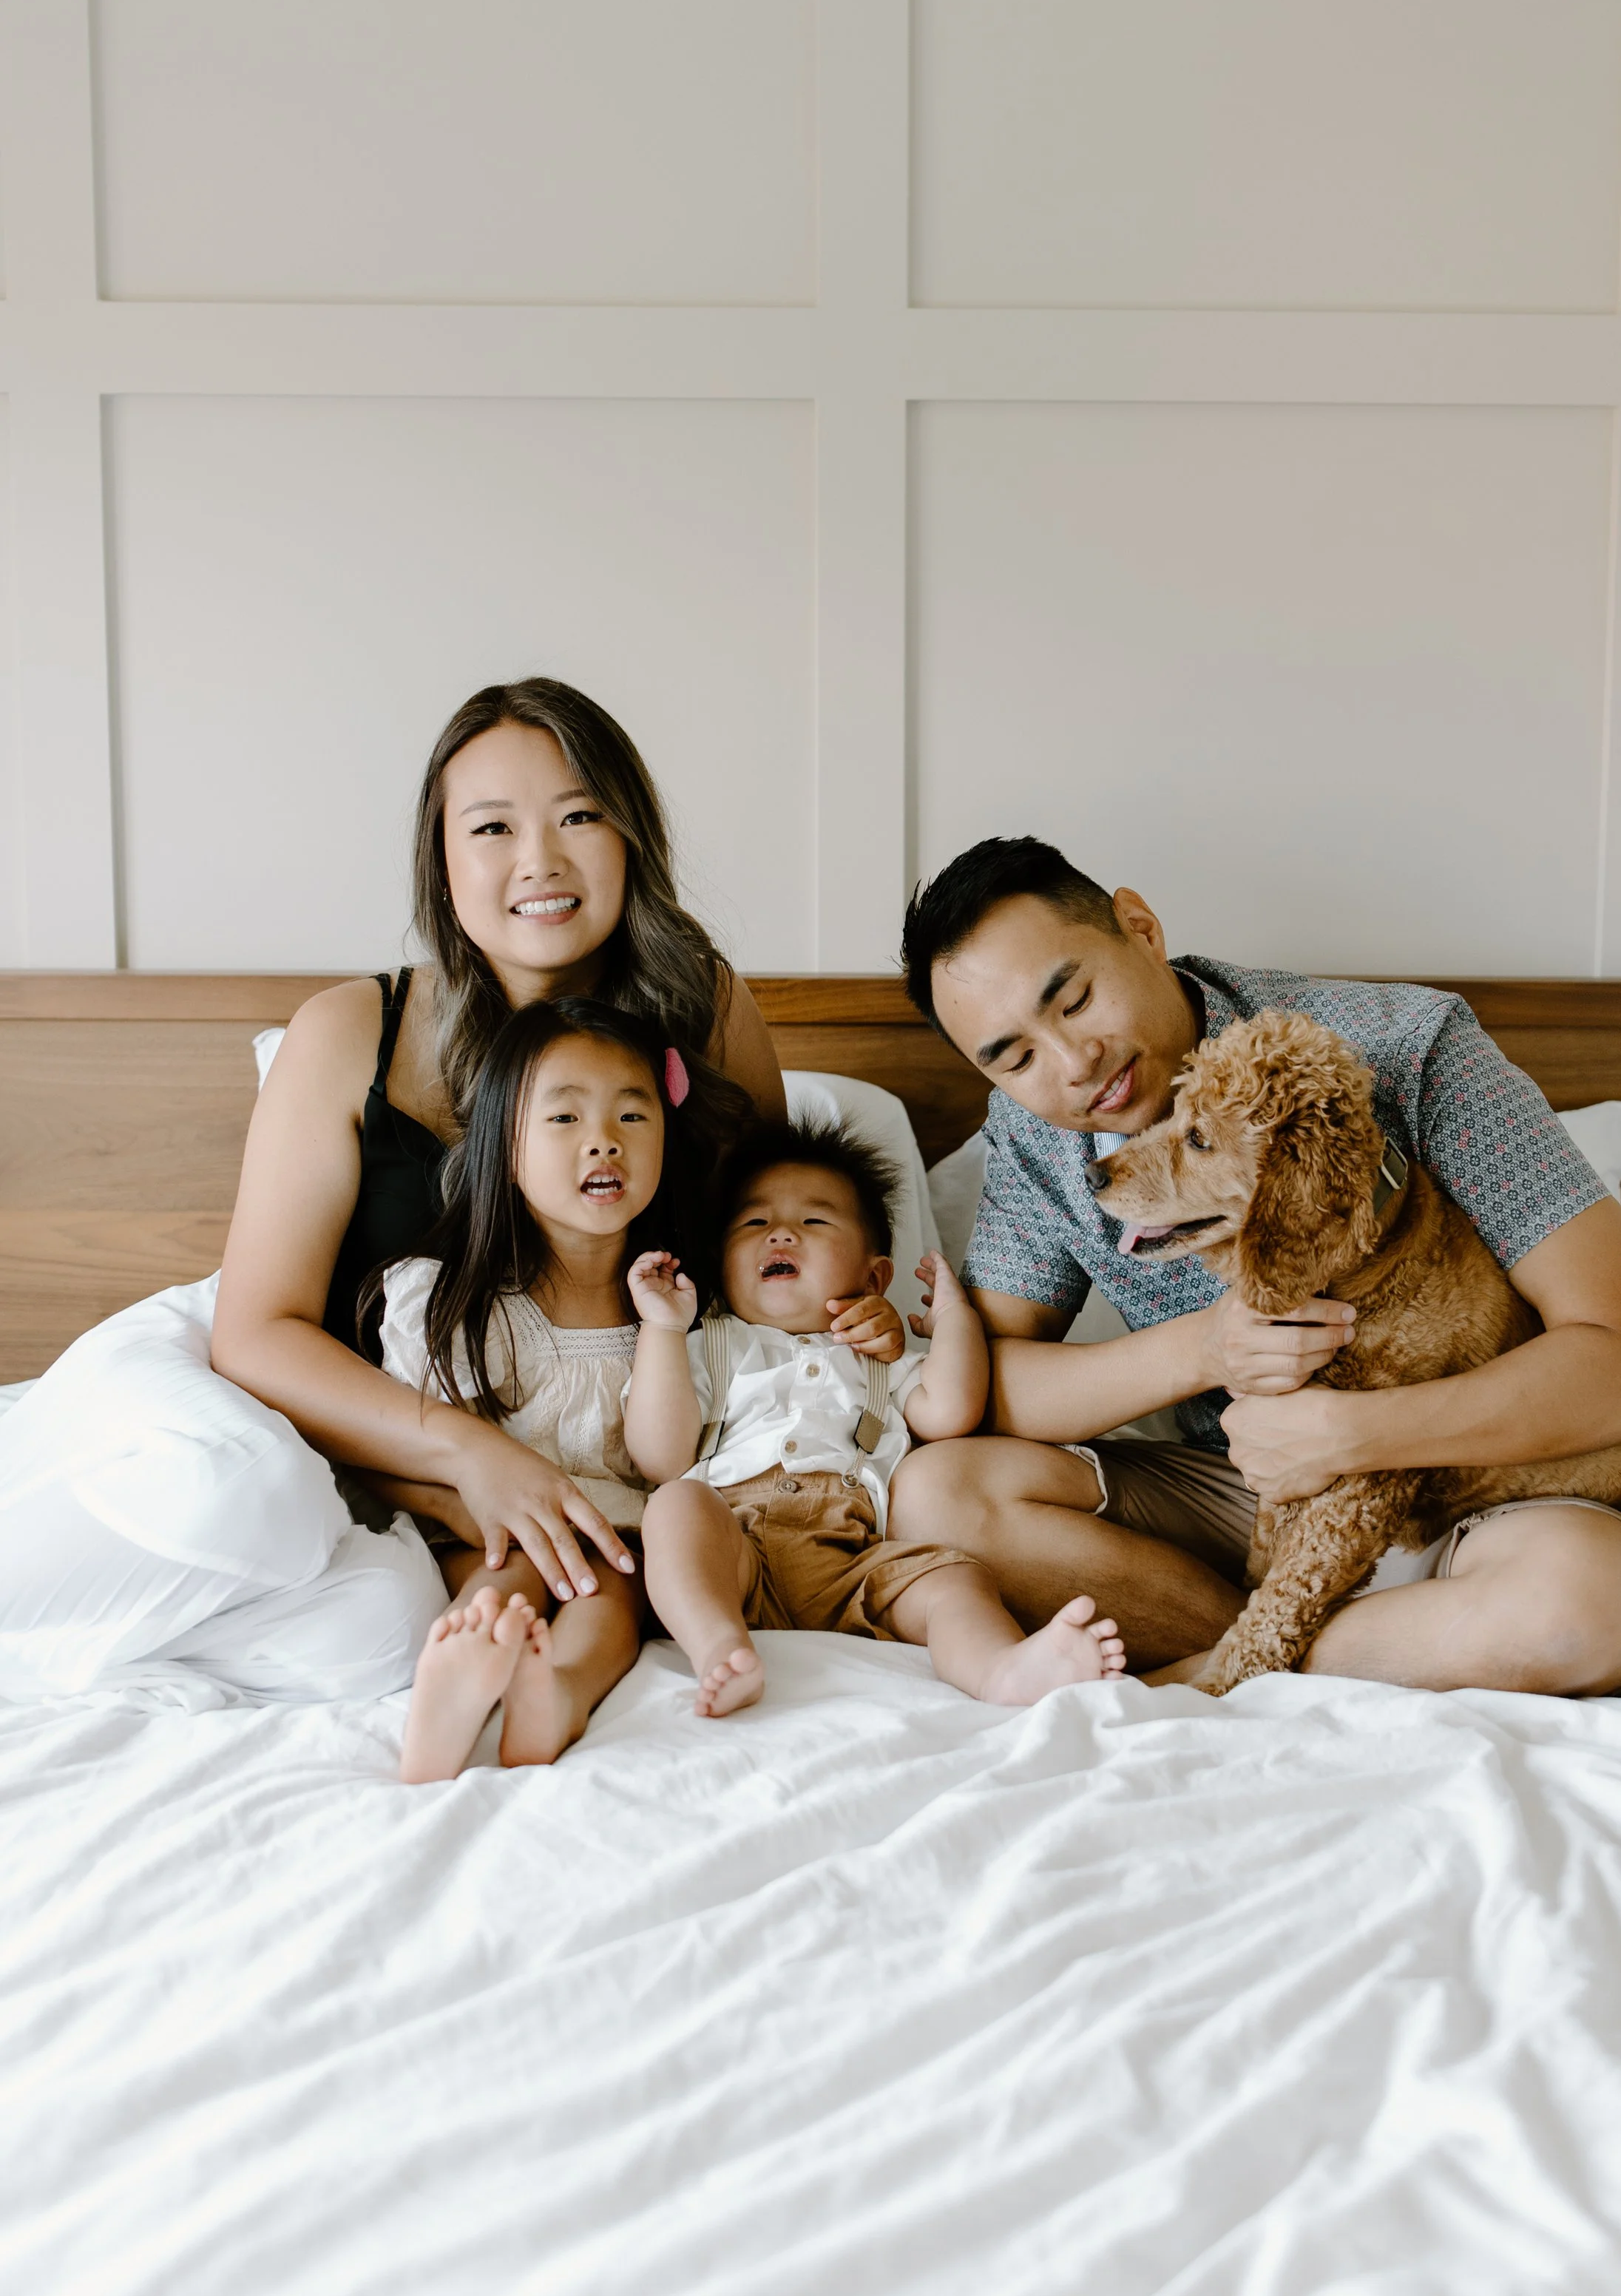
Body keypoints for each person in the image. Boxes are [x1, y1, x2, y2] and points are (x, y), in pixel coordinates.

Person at [887, 836, 1621, 1693]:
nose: (1072, 1064)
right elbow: (993, 1389)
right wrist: (1208, 1350)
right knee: (935, 1494)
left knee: (1588, 1605)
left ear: (1140, 927)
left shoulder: (1404, 1049)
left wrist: (1352, 1436)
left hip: (1483, 1489)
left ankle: (1224, 1669)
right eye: (1014, 1057)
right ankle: (1319, 1644)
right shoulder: (1035, 1132)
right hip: (1256, 1502)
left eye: (1076, 1000)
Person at [212, 677, 788, 1609]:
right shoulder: (350, 1031)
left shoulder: (707, 1009)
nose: (540, 861)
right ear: (441, 860)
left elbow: (780, 1245)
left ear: (632, 838)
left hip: (671, 1485)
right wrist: (464, 1457)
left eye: (579, 816)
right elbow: (254, 1333)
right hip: (406, 1470)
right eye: (492, 829)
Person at [628, 1118, 1128, 1718]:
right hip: (735, 1549)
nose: (780, 1234)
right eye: (754, 1223)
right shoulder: (713, 1344)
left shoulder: (883, 1359)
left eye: (814, 1221)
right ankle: (718, 1648)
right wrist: (661, 1327)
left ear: (874, 1276)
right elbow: (661, 1457)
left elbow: (950, 1411)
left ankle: (1000, 1668)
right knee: (676, 1507)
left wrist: (954, 1319)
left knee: (955, 1579)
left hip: (856, 1559)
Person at [385, 998, 763, 1778]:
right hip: (484, 1541)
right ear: (505, 1146)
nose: (604, 1141)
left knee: (610, 1599)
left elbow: (664, 1464)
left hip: (615, 1546)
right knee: (513, 1578)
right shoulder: (455, 1303)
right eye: (564, 1119)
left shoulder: (682, 1306)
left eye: (633, 1115)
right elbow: (405, 1449)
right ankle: (457, 1675)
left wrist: (663, 1329)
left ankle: (552, 1695)